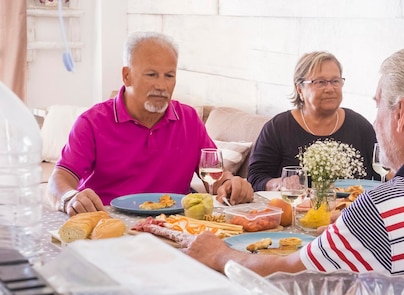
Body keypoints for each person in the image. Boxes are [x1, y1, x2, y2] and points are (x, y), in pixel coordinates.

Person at [188, 46, 404, 295]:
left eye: (379, 104)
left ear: (401, 113)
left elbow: (284, 274)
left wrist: (219, 253)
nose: (375, 118)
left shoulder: (382, 207)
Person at [48, 31, 254, 216]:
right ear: (126, 76)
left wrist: (229, 184)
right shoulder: (91, 122)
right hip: (108, 225)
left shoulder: (189, 120)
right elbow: (60, 179)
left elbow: (215, 178)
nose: (161, 85)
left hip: (174, 228)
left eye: (169, 76)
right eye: (151, 75)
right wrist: (69, 198)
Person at [246, 51, 378, 191]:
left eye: (335, 81)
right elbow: (255, 178)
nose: (330, 89)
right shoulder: (278, 128)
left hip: (352, 210)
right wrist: (279, 184)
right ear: (300, 90)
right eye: (320, 82)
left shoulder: (359, 126)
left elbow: (380, 175)